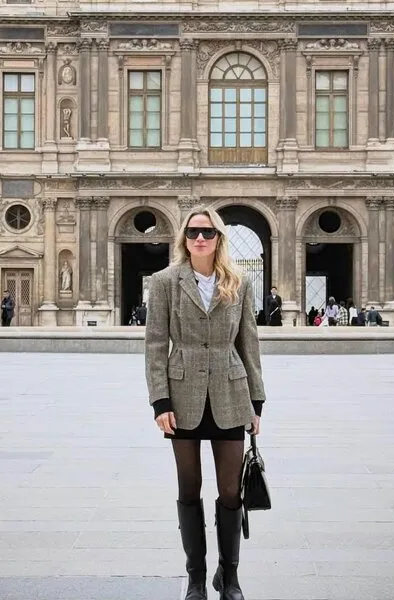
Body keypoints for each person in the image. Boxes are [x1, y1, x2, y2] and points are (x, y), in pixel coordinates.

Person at [145, 206, 265, 600]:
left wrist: (257, 402)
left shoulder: (239, 281)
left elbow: (248, 342)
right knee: (189, 486)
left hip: (231, 392)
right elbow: (155, 344)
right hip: (182, 396)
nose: (200, 238)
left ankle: (228, 576)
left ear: (219, 238)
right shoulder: (165, 281)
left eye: (208, 232)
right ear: (184, 237)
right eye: (194, 231)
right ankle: (196, 578)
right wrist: (160, 401)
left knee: (231, 491)